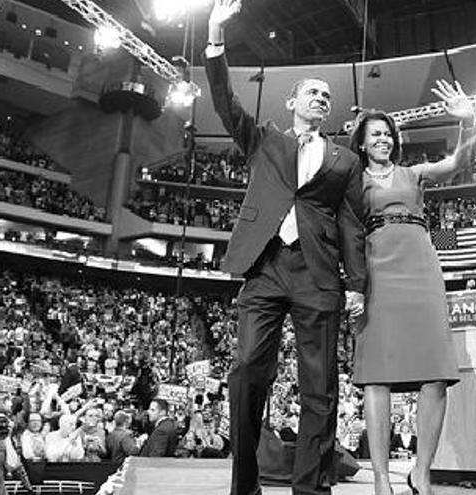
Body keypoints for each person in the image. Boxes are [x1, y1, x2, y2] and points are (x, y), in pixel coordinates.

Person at [204, 1, 367, 494]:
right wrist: (215, 33)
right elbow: (225, 101)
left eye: (326, 95)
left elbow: (353, 224)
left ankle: (311, 489)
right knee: (247, 370)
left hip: (319, 275)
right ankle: (245, 487)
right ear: (291, 102)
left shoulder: (345, 160)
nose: (320, 97)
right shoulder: (263, 141)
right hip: (265, 267)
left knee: (320, 387)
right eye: (311, 92)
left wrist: (357, 284)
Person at [348, 79, 473, 495]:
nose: (382, 139)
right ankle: (381, 479)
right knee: (377, 377)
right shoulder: (351, 181)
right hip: (377, 271)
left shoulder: (413, 174)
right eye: (375, 135)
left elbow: (456, 163)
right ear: (363, 144)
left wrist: (466, 123)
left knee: (435, 372)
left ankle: (422, 471)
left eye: (387, 133)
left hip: (420, 267)